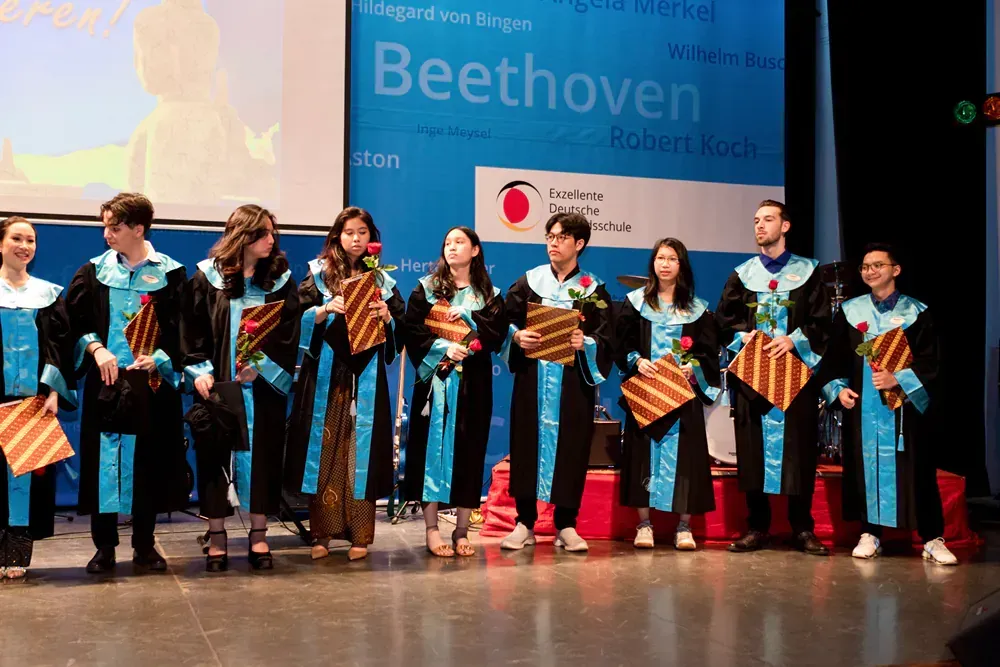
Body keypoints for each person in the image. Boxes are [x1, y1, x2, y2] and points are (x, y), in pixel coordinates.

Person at [67, 194, 188, 574]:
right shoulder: (94, 272)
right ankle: (104, 546)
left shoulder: (171, 274)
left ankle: (145, 544)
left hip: (151, 385)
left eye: (114, 227)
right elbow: (71, 322)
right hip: (108, 384)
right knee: (104, 462)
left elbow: (186, 330)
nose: (107, 234)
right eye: (104, 226)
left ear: (139, 229)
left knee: (149, 462)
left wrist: (162, 358)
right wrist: (96, 347)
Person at [820, 243, 956, 565]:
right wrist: (838, 390)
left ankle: (932, 538)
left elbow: (933, 363)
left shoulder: (916, 313)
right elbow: (833, 362)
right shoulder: (851, 313)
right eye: (865, 266)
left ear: (895, 270)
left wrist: (899, 379)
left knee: (919, 471)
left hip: (905, 412)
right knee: (864, 469)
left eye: (877, 265)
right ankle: (870, 533)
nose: (870, 271)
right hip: (864, 413)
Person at [182, 205, 299, 571]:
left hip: (261, 389)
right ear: (242, 236)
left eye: (271, 234)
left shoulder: (280, 280)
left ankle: (259, 535)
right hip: (217, 386)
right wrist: (199, 371)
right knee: (214, 457)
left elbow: (288, 332)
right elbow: (191, 329)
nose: (270, 240)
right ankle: (217, 537)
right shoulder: (206, 278)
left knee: (263, 456)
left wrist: (260, 366)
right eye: (263, 234)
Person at [284, 207, 404, 562]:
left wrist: (387, 318)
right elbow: (295, 317)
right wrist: (324, 309)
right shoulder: (317, 275)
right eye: (349, 232)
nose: (355, 238)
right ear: (337, 236)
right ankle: (321, 533)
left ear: (372, 238)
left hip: (365, 376)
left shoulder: (382, 280)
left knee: (359, 454)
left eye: (362, 232)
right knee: (325, 454)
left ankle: (360, 536)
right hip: (326, 374)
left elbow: (400, 325)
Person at [715, 200, 831, 555]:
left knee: (799, 451)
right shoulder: (743, 273)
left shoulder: (809, 273)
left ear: (786, 226)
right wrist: (744, 337)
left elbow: (823, 323)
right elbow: (723, 321)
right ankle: (757, 526)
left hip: (795, 375)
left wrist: (792, 339)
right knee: (752, 453)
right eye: (756, 221)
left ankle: (802, 528)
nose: (760, 226)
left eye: (768, 219)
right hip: (753, 375)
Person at [499, 212, 614, 552]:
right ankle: (524, 522)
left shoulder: (593, 289)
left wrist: (587, 344)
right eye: (550, 235)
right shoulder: (529, 282)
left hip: (571, 385)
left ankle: (566, 523)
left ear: (579, 244)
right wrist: (516, 337)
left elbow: (606, 338)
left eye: (561, 236)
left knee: (572, 448)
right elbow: (503, 323)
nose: (553, 241)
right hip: (532, 381)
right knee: (526, 444)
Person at [403, 227, 506, 557]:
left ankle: (462, 530)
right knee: (428, 449)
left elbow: (495, 334)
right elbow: (411, 331)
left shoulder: (488, 294)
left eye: (460, 242)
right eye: (447, 242)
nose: (452, 247)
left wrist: (472, 324)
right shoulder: (427, 290)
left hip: (473, 383)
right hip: (434, 381)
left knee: (470, 450)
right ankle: (432, 529)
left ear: (475, 250)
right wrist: (443, 348)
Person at [616, 239, 721, 550]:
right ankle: (644, 524)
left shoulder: (697, 310)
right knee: (641, 458)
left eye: (672, 259)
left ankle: (683, 526)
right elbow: (621, 344)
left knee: (686, 458)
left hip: (682, 396)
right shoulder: (635, 304)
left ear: (681, 266)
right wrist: (637, 360)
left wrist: (695, 370)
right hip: (646, 392)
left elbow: (709, 355)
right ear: (653, 263)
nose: (665, 264)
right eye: (660, 258)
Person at [0, 217, 77, 580]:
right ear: (1, 244)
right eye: (17, 238)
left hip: (32, 401)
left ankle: (16, 553)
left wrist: (52, 392)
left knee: (24, 478)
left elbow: (59, 348)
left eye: (31, 240)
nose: (25, 245)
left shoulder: (47, 294)